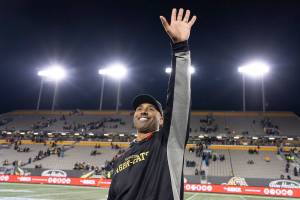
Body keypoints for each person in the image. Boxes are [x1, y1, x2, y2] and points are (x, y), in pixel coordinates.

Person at [107, 8, 196, 200]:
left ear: (162, 119)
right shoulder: (120, 159)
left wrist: (180, 48)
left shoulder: (168, 142)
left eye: (150, 109)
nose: (143, 111)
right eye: (139, 109)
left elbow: (179, 100)